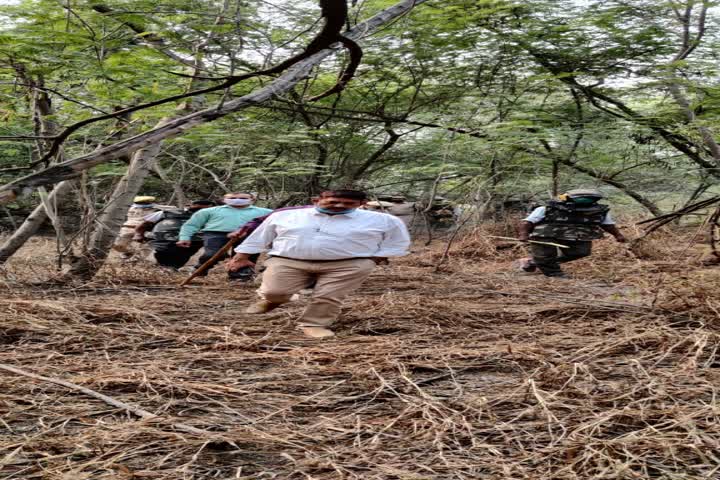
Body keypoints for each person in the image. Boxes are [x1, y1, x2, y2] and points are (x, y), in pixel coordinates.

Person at [227, 189, 411, 338]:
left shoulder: (384, 220)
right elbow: (261, 236)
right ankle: (271, 300)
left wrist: (374, 259)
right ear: (316, 200)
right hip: (288, 261)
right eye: (331, 202)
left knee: (328, 295)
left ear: (361, 204)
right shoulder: (286, 215)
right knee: (275, 292)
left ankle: (314, 324)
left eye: (348, 204)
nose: (339, 206)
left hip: (349, 264)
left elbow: (397, 242)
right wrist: (241, 257)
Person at [517, 188, 627, 278]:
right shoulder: (548, 208)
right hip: (545, 235)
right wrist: (523, 234)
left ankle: (532, 262)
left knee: (581, 252)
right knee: (545, 256)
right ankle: (555, 274)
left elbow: (607, 224)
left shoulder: (598, 211)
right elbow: (527, 222)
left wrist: (617, 235)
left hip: (577, 235)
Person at [177, 192, 272, 280]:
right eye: (232, 198)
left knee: (246, 255)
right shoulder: (208, 211)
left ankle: (240, 275)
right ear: (224, 199)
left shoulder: (266, 212)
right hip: (215, 234)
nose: (237, 199)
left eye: (243, 198)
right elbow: (192, 225)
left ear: (252, 199)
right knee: (211, 254)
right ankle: (200, 269)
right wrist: (184, 237)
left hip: (249, 235)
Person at [133, 199, 216, 269]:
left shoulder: (213, 217)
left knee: (177, 261)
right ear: (191, 206)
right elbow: (144, 224)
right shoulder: (168, 212)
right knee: (157, 259)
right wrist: (138, 234)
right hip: (162, 240)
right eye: (197, 208)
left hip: (192, 242)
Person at [113, 196, 167, 260]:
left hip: (142, 230)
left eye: (145, 203)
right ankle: (129, 253)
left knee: (145, 247)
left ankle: (137, 259)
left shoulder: (157, 209)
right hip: (127, 229)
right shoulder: (131, 208)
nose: (143, 204)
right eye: (141, 203)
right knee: (118, 245)